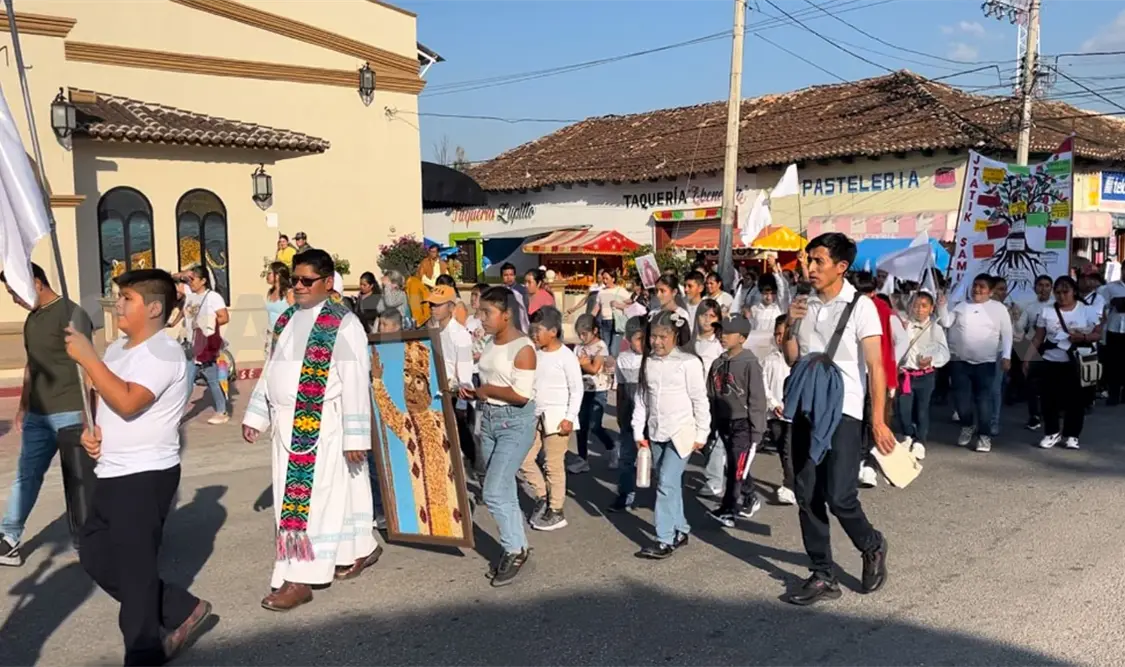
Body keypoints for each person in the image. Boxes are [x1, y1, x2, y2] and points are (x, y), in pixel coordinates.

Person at [63, 268, 211, 664]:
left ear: (155, 307)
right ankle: (180, 608)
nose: (118, 305)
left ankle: (143, 653)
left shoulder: (163, 352)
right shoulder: (116, 350)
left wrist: (87, 356)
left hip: (146, 474)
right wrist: (89, 431)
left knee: (135, 567)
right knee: (95, 553)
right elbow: (102, 399)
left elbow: (129, 401)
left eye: (127, 298)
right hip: (112, 470)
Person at [242, 250, 381, 611]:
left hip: (321, 425)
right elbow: (272, 367)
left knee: (308, 503)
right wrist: (256, 414)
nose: (298, 287)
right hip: (284, 425)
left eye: (307, 281)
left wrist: (356, 437)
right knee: (338, 495)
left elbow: (355, 383)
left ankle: (299, 578)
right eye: (294, 280)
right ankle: (360, 547)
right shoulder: (287, 318)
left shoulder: (343, 323)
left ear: (328, 282)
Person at [780, 232, 893, 606]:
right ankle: (823, 574)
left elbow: (876, 366)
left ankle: (871, 544)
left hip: (843, 412)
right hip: (806, 410)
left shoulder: (861, 307)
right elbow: (792, 358)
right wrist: (791, 326)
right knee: (807, 494)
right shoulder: (803, 304)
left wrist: (877, 421)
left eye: (819, 261)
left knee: (839, 495)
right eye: (809, 260)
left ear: (841, 267)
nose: (810, 268)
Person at [0, 264, 95, 567]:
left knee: (79, 481)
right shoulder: (32, 320)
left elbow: (89, 365)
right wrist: (23, 405)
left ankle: (91, 542)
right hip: (38, 416)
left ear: (37, 283)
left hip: (70, 412)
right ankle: (9, 537)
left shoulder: (71, 313)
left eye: (15, 291)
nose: (14, 299)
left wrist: (93, 416)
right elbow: (32, 364)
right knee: (27, 476)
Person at [464, 286, 537, 586]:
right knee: (501, 486)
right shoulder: (493, 342)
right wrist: (474, 389)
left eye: (487, 313)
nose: (481, 318)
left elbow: (520, 395)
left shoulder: (524, 349)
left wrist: (487, 390)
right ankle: (518, 546)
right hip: (491, 418)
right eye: (480, 312)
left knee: (493, 490)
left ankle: (512, 548)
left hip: (515, 423)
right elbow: (490, 376)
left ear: (506, 315)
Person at [632, 309, 710, 560]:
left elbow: (700, 400)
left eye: (663, 336)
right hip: (656, 431)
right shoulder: (649, 361)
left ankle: (664, 538)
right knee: (669, 483)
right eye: (653, 336)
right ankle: (680, 529)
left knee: (666, 482)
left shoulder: (688, 363)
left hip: (681, 432)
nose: (657, 342)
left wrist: (702, 432)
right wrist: (637, 430)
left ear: (676, 336)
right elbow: (642, 399)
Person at [521, 306, 582, 531]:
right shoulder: (535, 354)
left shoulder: (566, 356)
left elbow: (577, 390)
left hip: (557, 418)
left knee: (553, 465)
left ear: (553, 331)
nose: (534, 334)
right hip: (536, 415)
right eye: (533, 330)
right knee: (525, 458)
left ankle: (556, 510)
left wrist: (569, 417)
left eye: (539, 330)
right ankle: (541, 495)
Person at [937, 274, 1013, 453]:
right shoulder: (962, 306)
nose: (977, 290)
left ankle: (984, 436)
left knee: (983, 401)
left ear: (990, 291)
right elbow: (946, 322)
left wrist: (1007, 356)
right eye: (975, 285)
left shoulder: (998, 309)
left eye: (982, 287)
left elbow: (1007, 333)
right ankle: (967, 425)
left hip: (985, 363)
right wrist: (941, 306)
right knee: (961, 401)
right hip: (960, 362)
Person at [706, 315, 767, 528]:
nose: (722, 336)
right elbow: (711, 395)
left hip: (744, 424)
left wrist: (757, 430)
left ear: (742, 338)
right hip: (723, 422)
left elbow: (758, 399)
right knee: (732, 464)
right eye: (721, 331)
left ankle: (729, 510)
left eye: (728, 333)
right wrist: (710, 426)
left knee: (736, 468)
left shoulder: (750, 364)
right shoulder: (717, 363)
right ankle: (749, 497)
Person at [1028, 276, 1102, 450]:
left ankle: (1072, 434)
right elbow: (1038, 337)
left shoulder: (1086, 310)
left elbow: (1098, 334)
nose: (1061, 296)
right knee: (1048, 399)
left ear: (1074, 291)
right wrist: (1027, 357)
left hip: (1077, 361)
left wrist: (1082, 337)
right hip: (1051, 360)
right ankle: (1052, 432)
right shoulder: (1047, 311)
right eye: (1058, 292)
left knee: (1075, 400)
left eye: (1065, 292)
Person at [426, 285, 477, 473]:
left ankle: (478, 478)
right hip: (438, 393)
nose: (433, 308)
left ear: (450, 307)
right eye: (431, 304)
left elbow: (464, 372)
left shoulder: (460, 335)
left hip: (455, 396)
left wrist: (462, 405)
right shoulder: (434, 331)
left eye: (437, 305)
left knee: (463, 444)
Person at [894, 291, 949, 461]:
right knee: (903, 409)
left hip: (925, 376)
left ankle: (920, 441)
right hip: (905, 375)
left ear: (931, 309)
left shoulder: (935, 329)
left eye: (924, 306)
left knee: (922, 410)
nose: (919, 309)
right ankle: (907, 435)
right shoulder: (904, 325)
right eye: (916, 305)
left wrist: (932, 360)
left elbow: (944, 352)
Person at [178, 265, 230, 425]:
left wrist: (205, 322)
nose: (190, 282)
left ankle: (175, 416)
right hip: (190, 344)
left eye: (193, 279)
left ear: (203, 280)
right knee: (211, 380)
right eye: (189, 279)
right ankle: (222, 410)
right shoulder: (190, 296)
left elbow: (224, 317)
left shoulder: (213, 297)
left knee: (188, 382)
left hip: (203, 345)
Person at [607, 316, 646, 512]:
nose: (643, 343)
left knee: (656, 457)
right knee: (627, 457)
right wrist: (620, 415)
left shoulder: (653, 359)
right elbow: (621, 389)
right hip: (629, 413)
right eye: (638, 339)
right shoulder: (623, 359)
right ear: (629, 339)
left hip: (651, 415)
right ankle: (625, 494)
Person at [569, 314, 615, 473]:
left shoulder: (601, 346)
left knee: (595, 425)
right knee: (581, 425)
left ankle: (612, 448)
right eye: (579, 334)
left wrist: (584, 364)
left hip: (598, 391)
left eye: (585, 334)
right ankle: (582, 459)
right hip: (582, 391)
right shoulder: (578, 348)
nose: (582, 337)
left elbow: (595, 369)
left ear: (595, 331)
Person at [693, 299, 726, 500]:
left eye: (712, 316)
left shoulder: (719, 345)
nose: (707, 320)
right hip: (690, 397)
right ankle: (717, 466)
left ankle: (715, 481)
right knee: (700, 439)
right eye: (703, 315)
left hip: (712, 396)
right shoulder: (690, 342)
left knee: (713, 438)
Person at [761, 314, 796, 505]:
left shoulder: (797, 358)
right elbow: (763, 383)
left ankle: (790, 485)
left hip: (792, 413)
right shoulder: (769, 359)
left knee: (788, 449)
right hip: (774, 412)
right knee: (781, 445)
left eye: (783, 333)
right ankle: (791, 478)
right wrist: (773, 404)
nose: (779, 338)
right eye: (777, 334)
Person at [1015, 275, 1055, 428]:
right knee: (1032, 383)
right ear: (1035, 287)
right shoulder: (1030, 307)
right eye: (1040, 285)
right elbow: (1020, 327)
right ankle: (1034, 416)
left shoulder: (1056, 305)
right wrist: (1015, 317)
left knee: (1050, 383)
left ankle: (1050, 413)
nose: (1043, 289)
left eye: (1046, 285)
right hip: (1033, 346)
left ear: (1051, 288)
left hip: (1052, 347)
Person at [1102, 269, 1125, 406]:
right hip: (1114, 329)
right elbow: (1102, 305)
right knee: (1113, 363)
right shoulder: (1110, 288)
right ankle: (1113, 393)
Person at [593, 269, 628, 352]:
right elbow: (596, 308)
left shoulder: (621, 291)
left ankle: (614, 363)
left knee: (614, 349)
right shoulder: (601, 292)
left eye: (607, 279)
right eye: (603, 278)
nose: (604, 281)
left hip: (616, 322)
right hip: (604, 322)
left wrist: (619, 305)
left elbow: (631, 306)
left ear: (613, 279)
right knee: (605, 347)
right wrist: (590, 320)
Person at [265, 262, 295, 333]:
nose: (267, 276)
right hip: (271, 334)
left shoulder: (289, 293)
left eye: (269, 273)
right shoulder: (270, 292)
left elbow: (295, 316)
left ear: (278, 275)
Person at [500, 263, 529, 332]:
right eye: (506, 275)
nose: (509, 277)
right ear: (501, 277)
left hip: (519, 326)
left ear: (515, 276)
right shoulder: (499, 291)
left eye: (511, 275)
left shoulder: (522, 290)